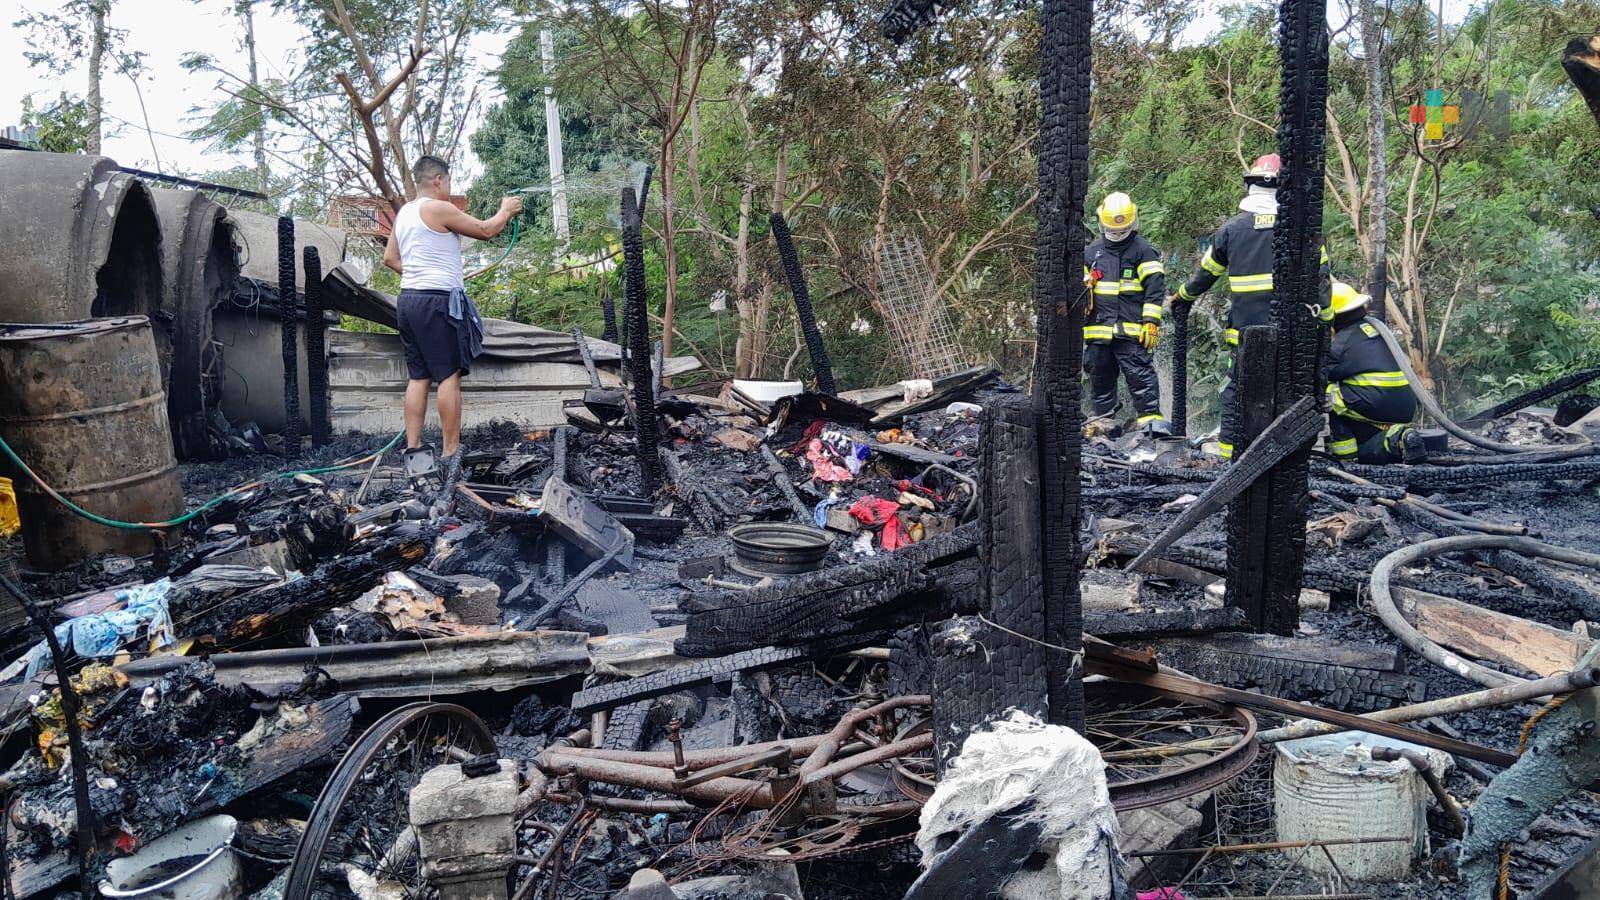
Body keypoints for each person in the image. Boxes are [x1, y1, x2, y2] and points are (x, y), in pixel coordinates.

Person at [1170, 153, 1331, 458]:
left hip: (1245, 333)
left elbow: (1205, 276)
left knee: (1238, 391)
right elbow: (1322, 283)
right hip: (1291, 334)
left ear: (1251, 186)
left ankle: (1231, 457)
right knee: (1291, 393)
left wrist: (1181, 297)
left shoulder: (1231, 230)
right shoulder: (1303, 232)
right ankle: (1295, 456)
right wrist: (1324, 323)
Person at [382, 155, 522, 503]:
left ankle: (413, 452)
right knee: (448, 376)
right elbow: (487, 230)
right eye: (450, 182)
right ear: (440, 180)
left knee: (419, 377)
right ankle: (449, 452)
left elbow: (390, 259)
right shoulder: (437, 208)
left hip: (409, 300)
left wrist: (421, 273)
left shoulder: (405, 213)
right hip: (436, 302)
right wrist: (506, 209)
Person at [1082, 191, 1170, 434]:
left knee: (1141, 379)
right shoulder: (1092, 252)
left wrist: (1151, 322)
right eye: (1113, 229)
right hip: (1098, 332)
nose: (1118, 234)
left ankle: (1152, 429)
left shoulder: (1143, 251)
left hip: (1131, 332)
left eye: (1123, 229)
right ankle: (1104, 428)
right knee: (1100, 382)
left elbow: (1155, 289)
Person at [1324, 281, 1427, 464]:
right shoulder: (1375, 330)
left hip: (1376, 402)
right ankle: (1397, 439)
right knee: (1368, 444)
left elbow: (1321, 374)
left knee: (1326, 395)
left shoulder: (1342, 343)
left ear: (1333, 316)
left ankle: (1345, 460)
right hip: (1404, 406)